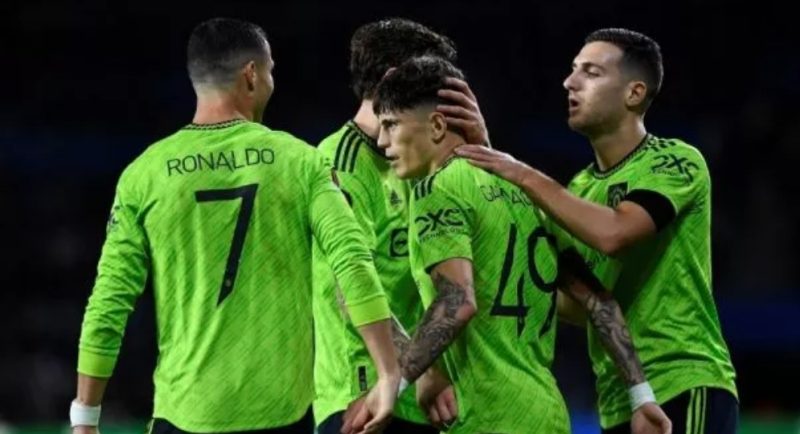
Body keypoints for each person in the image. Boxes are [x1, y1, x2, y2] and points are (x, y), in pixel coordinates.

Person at [71, 17, 400, 434]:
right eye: (271, 71)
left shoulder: (144, 175)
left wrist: (86, 414)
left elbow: (109, 299)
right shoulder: (301, 161)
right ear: (251, 74)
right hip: (281, 417)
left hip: (185, 415)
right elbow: (352, 263)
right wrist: (388, 373)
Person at [346, 55, 669, 434]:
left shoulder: (438, 189)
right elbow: (600, 302)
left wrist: (391, 383)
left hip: (488, 417)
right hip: (548, 414)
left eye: (391, 125)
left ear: (436, 126)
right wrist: (642, 396)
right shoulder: (525, 192)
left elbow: (458, 301)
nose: (382, 141)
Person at [456, 28, 737, 433]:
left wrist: (516, 170)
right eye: (573, 71)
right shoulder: (580, 191)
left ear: (634, 94)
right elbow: (576, 303)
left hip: (682, 381)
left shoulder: (676, 162)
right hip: (619, 397)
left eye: (591, 72)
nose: (570, 82)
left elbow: (615, 232)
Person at [313, 18, 489, 434]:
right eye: (431, 84)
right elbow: (349, 282)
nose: (442, 102)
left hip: (425, 393)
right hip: (364, 393)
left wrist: (483, 147)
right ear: (394, 79)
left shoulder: (423, 159)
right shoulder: (339, 162)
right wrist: (421, 372)